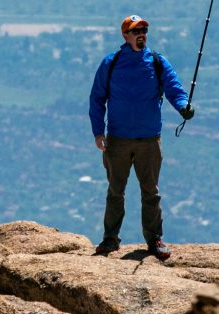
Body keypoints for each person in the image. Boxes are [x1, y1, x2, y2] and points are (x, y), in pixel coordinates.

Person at [88, 14, 194, 260]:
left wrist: (184, 107)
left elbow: (174, 88)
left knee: (151, 191)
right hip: (117, 139)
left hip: (149, 139)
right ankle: (110, 240)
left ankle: (154, 240)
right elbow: (97, 98)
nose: (141, 34)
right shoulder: (111, 63)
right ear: (125, 35)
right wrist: (97, 132)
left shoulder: (156, 61)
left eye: (144, 30)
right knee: (116, 190)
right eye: (136, 31)